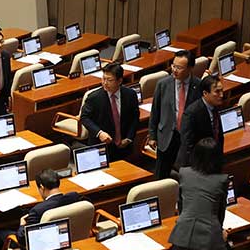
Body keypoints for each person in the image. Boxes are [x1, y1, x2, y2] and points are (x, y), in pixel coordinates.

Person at [168, 137, 229, 250]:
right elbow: (220, 214)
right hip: (209, 243)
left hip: (181, 238)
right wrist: (220, 232)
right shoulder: (222, 180)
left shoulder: (184, 173)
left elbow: (181, 207)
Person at [146, 50, 203, 180]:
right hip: (166, 135)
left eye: (179, 67)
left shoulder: (199, 86)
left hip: (188, 137)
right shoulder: (163, 84)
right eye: (173, 65)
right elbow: (155, 111)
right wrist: (152, 135)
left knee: (186, 173)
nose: (175, 70)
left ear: (190, 68)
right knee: (161, 174)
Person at [79, 62, 139, 161]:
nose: (105, 83)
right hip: (101, 146)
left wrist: (129, 138)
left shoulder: (130, 95)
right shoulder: (94, 98)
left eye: (109, 80)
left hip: (124, 146)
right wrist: (99, 133)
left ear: (119, 81)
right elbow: (84, 117)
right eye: (103, 79)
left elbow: (135, 118)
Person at [176, 74, 225, 174]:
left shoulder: (216, 107)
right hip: (197, 165)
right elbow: (187, 144)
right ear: (205, 93)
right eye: (217, 92)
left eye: (222, 91)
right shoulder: (192, 113)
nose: (221, 95)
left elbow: (218, 134)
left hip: (212, 159)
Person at [17, 169, 81, 241]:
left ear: (42, 187)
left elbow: (24, 239)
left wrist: (22, 225)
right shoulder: (74, 197)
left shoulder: (37, 211)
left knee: (3, 233)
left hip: (46, 242)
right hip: (75, 239)